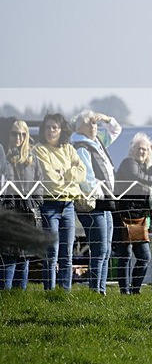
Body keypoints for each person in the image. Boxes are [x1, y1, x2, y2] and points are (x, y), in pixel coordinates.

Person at [70, 110, 122, 295]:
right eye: (91, 123)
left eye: (95, 123)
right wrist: (104, 191)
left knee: (106, 249)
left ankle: (101, 289)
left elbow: (116, 130)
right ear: (81, 127)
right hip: (94, 202)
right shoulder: (81, 146)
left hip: (105, 201)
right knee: (99, 249)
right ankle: (95, 290)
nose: (95, 126)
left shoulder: (97, 141)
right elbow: (87, 178)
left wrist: (106, 118)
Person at [34, 112, 86, 291]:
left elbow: (82, 172)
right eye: (47, 127)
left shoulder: (69, 149)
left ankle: (65, 291)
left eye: (54, 127)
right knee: (52, 251)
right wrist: (69, 176)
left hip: (69, 206)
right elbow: (50, 179)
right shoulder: (39, 149)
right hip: (50, 206)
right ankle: (50, 290)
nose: (50, 131)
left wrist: (65, 173)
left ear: (61, 129)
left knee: (67, 252)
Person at [113, 133, 152, 294]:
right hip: (124, 216)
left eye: (145, 149)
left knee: (144, 256)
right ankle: (125, 292)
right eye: (138, 148)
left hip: (140, 218)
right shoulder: (128, 163)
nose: (142, 152)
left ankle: (135, 290)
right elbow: (136, 177)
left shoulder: (149, 167)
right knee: (125, 256)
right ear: (132, 149)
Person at [1, 121, 44, 290]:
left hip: (28, 214)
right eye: (14, 133)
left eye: (22, 134)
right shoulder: (3, 157)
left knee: (24, 259)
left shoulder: (33, 159)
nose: (18, 137)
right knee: (8, 257)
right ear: (9, 134)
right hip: (9, 214)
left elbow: (39, 184)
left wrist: (33, 202)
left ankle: (21, 297)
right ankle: (6, 296)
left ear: (27, 136)